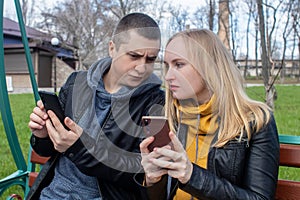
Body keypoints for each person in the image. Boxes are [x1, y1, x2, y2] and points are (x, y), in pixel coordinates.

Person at [27, 12, 165, 200]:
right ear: (112, 48)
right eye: (134, 56)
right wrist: (42, 135)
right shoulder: (76, 83)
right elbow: (48, 150)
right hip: (52, 194)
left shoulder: (155, 102)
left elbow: (141, 173)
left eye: (151, 59)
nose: (142, 67)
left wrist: (79, 148)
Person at [139, 29, 280, 199]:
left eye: (179, 64)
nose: (168, 76)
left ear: (208, 66)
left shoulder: (255, 120)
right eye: (167, 66)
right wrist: (153, 179)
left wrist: (192, 176)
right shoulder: (168, 118)